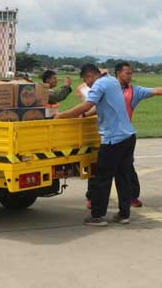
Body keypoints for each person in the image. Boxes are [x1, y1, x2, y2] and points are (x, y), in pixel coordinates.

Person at [57, 64, 135, 226]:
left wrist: (62, 115)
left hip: (113, 139)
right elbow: (102, 107)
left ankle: (97, 216)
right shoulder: (112, 81)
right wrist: (85, 115)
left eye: (86, 81)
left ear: (90, 75)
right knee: (123, 177)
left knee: (102, 179)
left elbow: (87, 104)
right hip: (128, 136)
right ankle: (124, 214)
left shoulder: (99, 84)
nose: (87, 85)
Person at [115, 61, 162, 208]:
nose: (130, 76)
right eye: (127, 73)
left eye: (131, 73)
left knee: (127, 167)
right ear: (118, 73)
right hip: (107, 134)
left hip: (125, 135)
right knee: (103, 169)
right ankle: (94, 198)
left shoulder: (134, 91)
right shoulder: (107, 88)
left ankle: (132, 196)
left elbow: (155, 91)